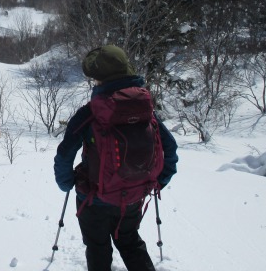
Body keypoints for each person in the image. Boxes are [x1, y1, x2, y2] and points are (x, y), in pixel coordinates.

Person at [54, 45, 178, 271]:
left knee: (98, 247)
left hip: (94, 198)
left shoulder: (90, 112)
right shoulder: (145, 109)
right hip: (133, 196)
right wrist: (159, 180)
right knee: (129, 241)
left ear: (99, 80)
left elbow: (65, 153)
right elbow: (170, 147)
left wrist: (66, 183)